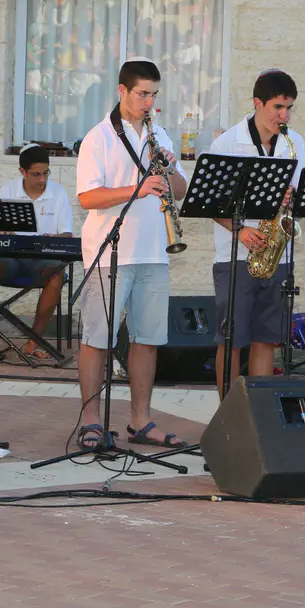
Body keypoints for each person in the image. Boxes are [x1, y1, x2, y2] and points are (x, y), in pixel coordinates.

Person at [74, 58, 188, 450]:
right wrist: (137, 189)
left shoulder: (161, 134)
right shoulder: (98, 138)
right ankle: (91, 420)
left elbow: (180, 191)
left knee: (147, 339)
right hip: (110, 253)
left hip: (154, 251)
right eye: (142, 94)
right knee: (97, 339)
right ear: (122, 91)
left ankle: (140, 420)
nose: (149, 102)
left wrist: (171, 169)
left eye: (154, 95)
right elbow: (88, 197)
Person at [207, 69, 305, 397]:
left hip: (277, 256)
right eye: (278, 107)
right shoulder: (227, 144)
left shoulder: (294, 143)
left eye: (289, 108)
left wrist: (292, 198)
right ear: (257, 103)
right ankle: (228, 413)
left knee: (266, 339)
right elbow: (209, 203)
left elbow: (297, 198)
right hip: (236, 255)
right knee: (231, 340)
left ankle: (260, 411)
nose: (284, 116)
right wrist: (240, 230)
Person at [0, 143, 74, 360]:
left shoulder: (58, 193)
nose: (42, 179)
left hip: (43, 260)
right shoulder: (9, 190)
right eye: (36, 174)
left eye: (46, 173)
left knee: (56, 274)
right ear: (23, 171)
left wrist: (54, 239)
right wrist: (3, 232)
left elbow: (67, 234)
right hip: (12, 259)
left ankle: (34, 341)